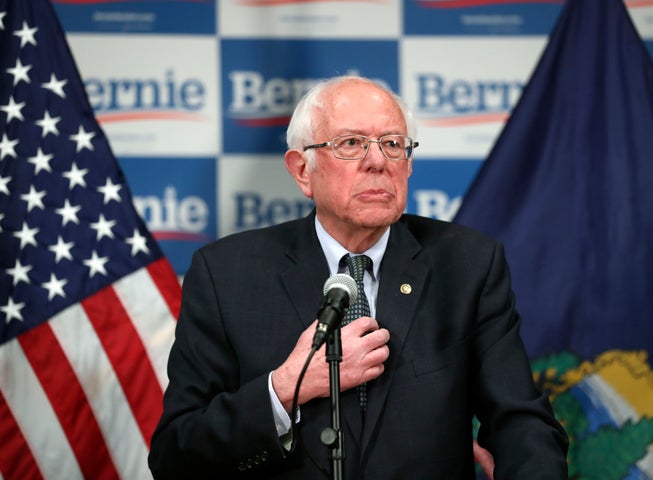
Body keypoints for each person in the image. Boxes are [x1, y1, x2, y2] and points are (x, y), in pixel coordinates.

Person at [148, 75, 568, 479]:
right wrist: (286, 388)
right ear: (301, 170)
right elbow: (176, 455)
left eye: (393, 144)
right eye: (351, 143)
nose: (377, 162)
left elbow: (520, 422)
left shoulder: (468, 264)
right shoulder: (227, 273)